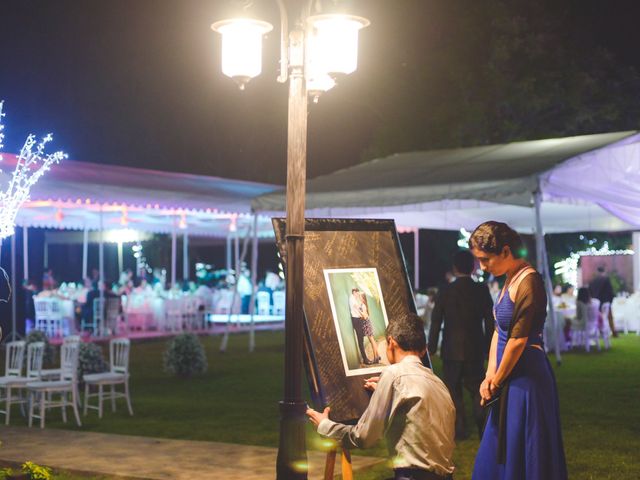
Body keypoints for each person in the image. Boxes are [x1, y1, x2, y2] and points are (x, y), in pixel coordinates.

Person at [469, 221, 567, 480]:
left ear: (505, 251)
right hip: (506, 377)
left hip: (526, 380)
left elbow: (517, 341)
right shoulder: (510, 277)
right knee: (496, 450)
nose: (482, 267)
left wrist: (497, 381)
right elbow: (497, 331)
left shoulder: (529, 282)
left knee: (523, 450)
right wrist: (490, 374)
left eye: (485, 259)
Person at [307, 313, 456, 480]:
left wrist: (325, 426)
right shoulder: (439, 383)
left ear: (391, 342)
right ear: (423, 349)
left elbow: (363, 437)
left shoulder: (393, 374)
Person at [428, 249, 494, 440]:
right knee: (478, 390)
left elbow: (436, 320)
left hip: (451, 349)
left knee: (453, 391)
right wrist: (490, 346)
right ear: (473, 267)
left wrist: (431, 347)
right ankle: (483, 426)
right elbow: (489, 319)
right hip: (475, 349)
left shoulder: (446, 291)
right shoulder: (481, 290)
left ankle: (459, 430)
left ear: (455, 267)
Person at [349, 288, 380, 365]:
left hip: (366, 323)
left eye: (360, 296)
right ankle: (377, 356)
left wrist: (360, 313)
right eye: (358, 295)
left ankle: (376, 357)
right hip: (366, 323)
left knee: (372, 340)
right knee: (372, 340)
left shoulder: (363, 305)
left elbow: (365, 316)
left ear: (362, 298)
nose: (358, 297)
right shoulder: (362, 304)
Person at [589, 266, 617, 337]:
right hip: (605, 302)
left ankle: (600, 332)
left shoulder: (593, 280)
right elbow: (610, 291)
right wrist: (610, 301)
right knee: (609, 317)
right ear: (604, 271)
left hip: (596, 303)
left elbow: (590, 292)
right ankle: (614, 332)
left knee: (597, 317)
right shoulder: (606, 279)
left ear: (597, 271)